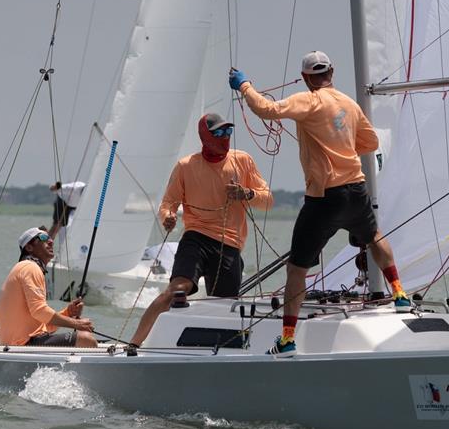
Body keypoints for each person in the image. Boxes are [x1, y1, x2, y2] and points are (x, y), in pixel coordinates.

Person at [229, 50, 412, 357]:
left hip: (325, 198)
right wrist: (339, 141)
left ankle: (287, 339)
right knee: (373, 237)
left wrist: (244, 86)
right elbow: (371, 143)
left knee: (297, 269)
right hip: (356, 189)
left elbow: (267, 109)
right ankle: (400, 295)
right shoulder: (349, 104)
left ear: (305, 78)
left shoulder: (309, 100)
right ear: (332, 72)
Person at [128, 113, 273, 352]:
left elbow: (268, 201)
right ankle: (134, 344)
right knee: (177, 290)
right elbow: (167, 204)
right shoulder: (187, 166)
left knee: (225, 308)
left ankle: (216, 353)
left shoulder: (243, 160)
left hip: (230, 245)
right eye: (218, 133)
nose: (225, 137)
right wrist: (168, 218)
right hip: (196, 237)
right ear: (205, 137)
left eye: (228, 132)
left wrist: (247, 194)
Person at [0, 226, 97, 347]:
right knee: (86, 339)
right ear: (29, 247)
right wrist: (76, 324)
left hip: (21, 342)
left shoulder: (26, 267)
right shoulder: (30, 267)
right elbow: (39, 311)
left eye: (50, 237)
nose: (50, 241)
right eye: (43, 237)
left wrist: (68, 313)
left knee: (84, 338)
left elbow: (42, 326)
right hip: (22, 343)